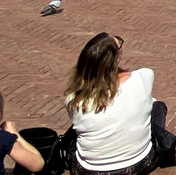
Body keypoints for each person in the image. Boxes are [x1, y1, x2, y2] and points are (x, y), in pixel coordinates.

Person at [64, 33, 165, 175]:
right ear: (115, 58)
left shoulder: (73, 99)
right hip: (140, 164)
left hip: (89, 170)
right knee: (158, 106)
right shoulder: (143, 77)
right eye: (119, 45)